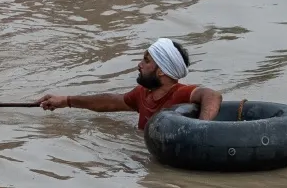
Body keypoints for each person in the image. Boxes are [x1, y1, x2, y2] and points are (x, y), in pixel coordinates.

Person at [38, 39, 224, 129]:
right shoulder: (142, 93)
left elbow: (212, 95)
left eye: (146, 60)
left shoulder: (180, 94)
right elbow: (109, 102)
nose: (139, 65)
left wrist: (202, 128)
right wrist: (65, 100)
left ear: (161, 71)